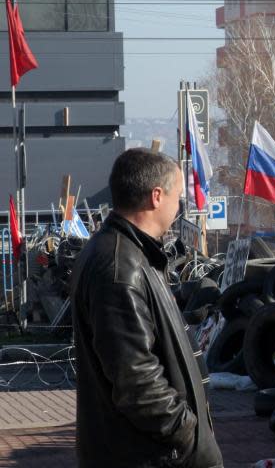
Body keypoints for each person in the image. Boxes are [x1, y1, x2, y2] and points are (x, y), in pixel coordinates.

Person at [71, 148, 223, 468]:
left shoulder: (132, 254)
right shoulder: (119, 267)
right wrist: (188, 436)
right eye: (178, 196)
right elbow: (136, 381)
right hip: (147, 455)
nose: (179, 206)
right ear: (157, 197)